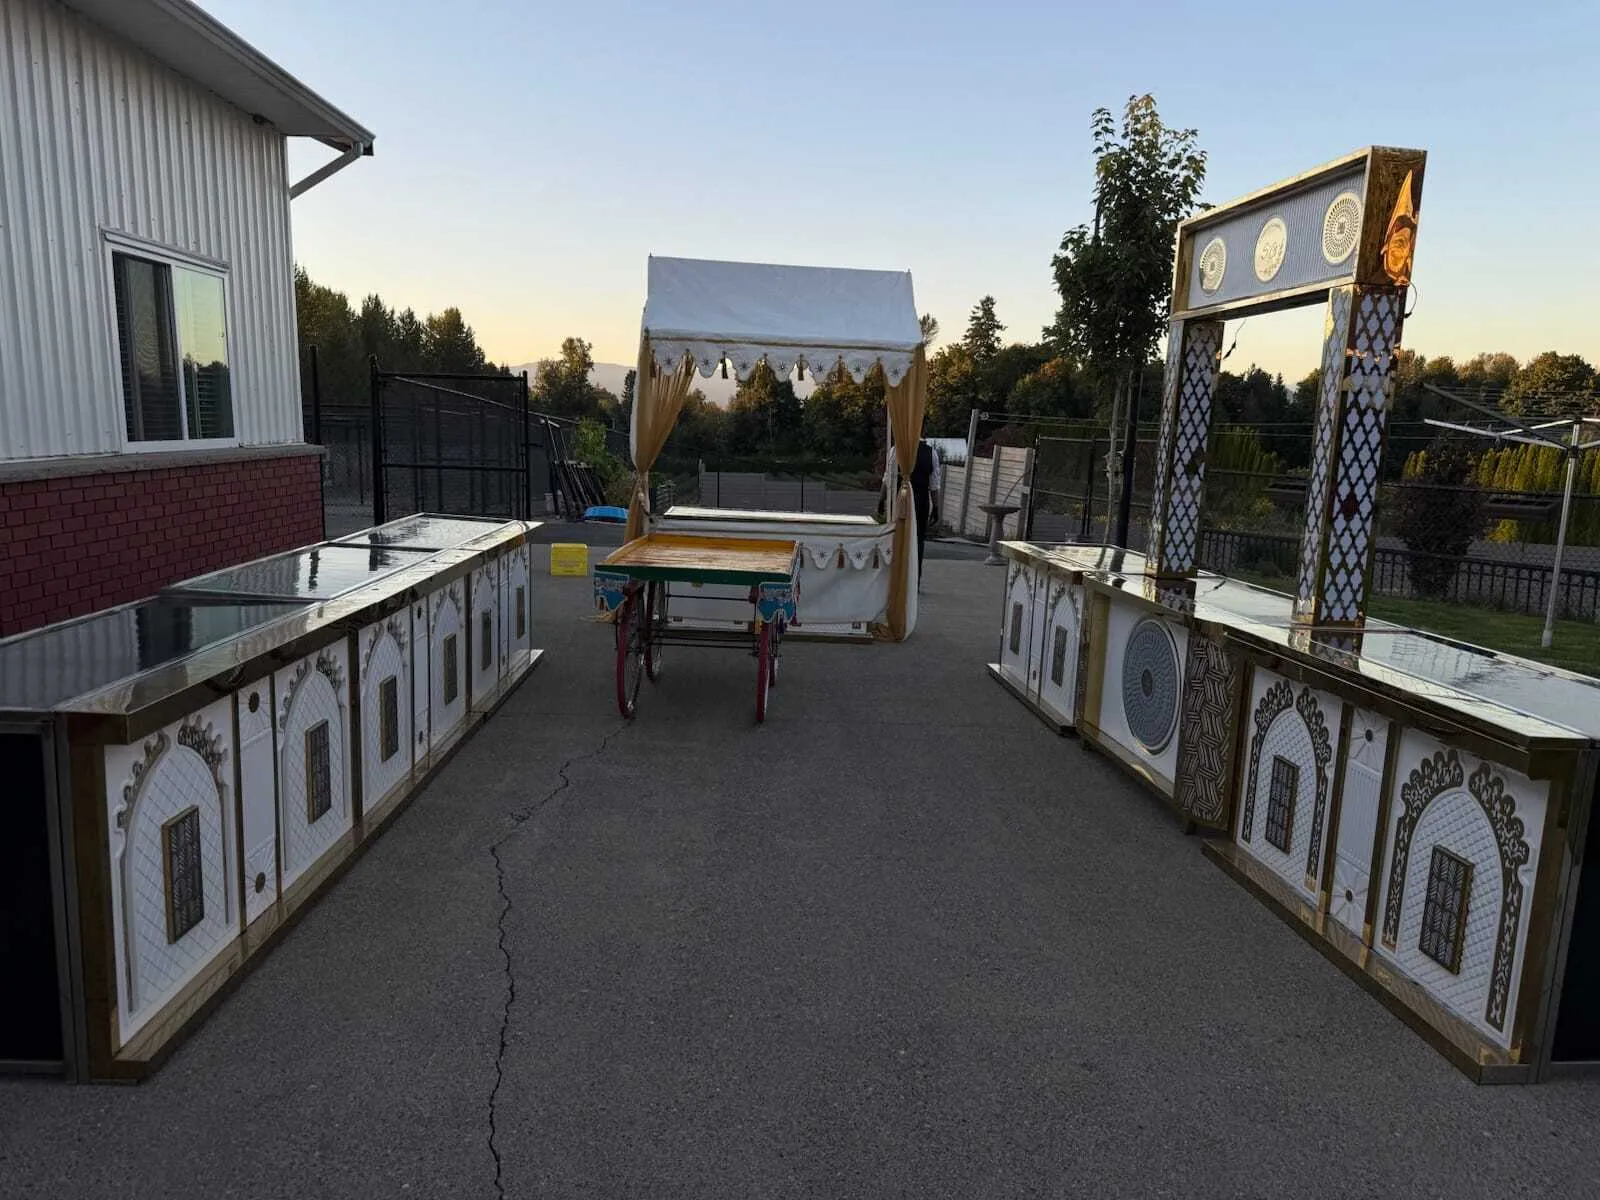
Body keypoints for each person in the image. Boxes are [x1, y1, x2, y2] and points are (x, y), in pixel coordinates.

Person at [909, 439, 940, 587]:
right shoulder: (930, 452)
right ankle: (915, 580)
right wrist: (936, 507)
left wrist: (882, 501)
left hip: (900, 500)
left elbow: (887, 478)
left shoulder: (897, 450)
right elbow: (934, 485)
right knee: (919, 540)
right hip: (921, 500)